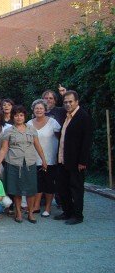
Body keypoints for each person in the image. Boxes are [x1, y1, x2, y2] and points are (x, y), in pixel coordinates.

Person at [0, 105, 47, 224]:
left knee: (31, 189)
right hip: (14, 163)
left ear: (24, 116)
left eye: (21, 115)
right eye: (16, 115)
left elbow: (37, 145)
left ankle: (30, 213)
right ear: (13, 117)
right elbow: (4, 149)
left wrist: (44, 160)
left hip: (29, 162)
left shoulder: (31, 129)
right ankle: (18, 212)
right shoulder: (9, 131)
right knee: (17, 189)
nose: (19, 117)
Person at [55, 90, 92, 225]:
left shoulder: (83, 116)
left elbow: (86, 140)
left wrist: (83, 161)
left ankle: (77, 215)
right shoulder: (67, 116)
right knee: (62, 187)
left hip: (76, 162)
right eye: (65, 102)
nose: (68, 104)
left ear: (77, 102)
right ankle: (67, 212)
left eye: (70, 102)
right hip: (63, 159)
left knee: (76, 188)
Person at [27, 99, 61, 217]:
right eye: (36, 108)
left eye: (41, 108)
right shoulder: (29, 124)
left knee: (49, 184)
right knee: (37, 183)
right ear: (33, 110)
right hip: (34, 159)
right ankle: (36, 206)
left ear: (45, 110)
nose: (39, 110)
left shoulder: (53, 123)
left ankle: (47, 208)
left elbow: (60, 138)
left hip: (50, 158)